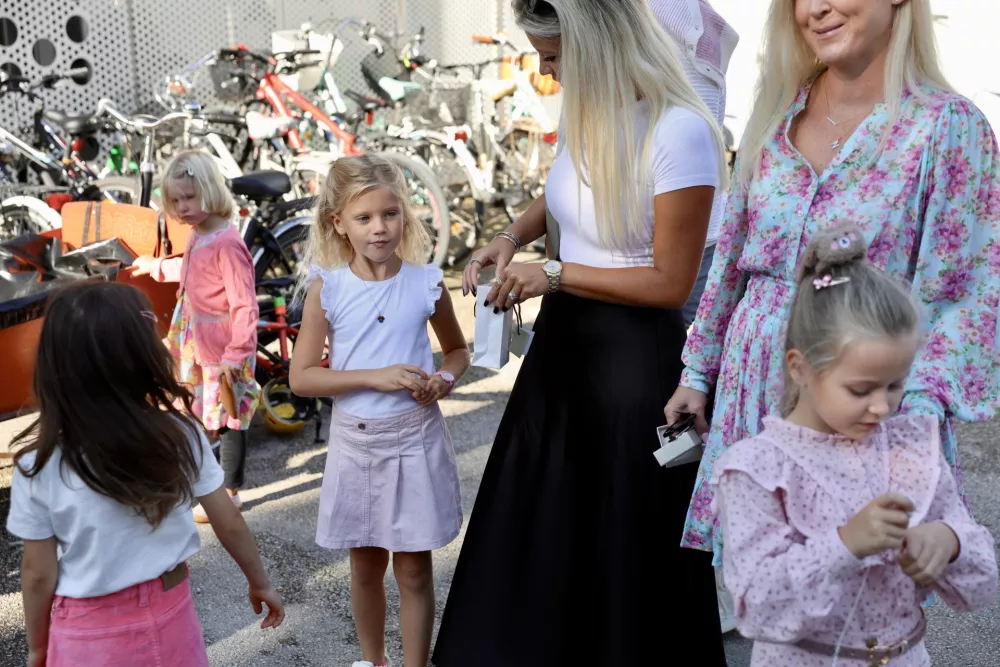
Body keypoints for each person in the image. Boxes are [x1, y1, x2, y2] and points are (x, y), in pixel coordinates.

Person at [666, 0, 1000, 592]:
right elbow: (734, 258)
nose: (816, 8)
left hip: (867, 410)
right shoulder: (778, 111)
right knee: (774, 595)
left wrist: (912, 427)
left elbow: (961, 299)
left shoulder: (947, 125)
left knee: (865, 600)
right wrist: (698, 370)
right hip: (755, 391)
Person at [433, 0, 729, 664]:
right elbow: (566, 190)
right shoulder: (587, 113)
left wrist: (555, 272)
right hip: (563, 352)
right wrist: (510, 237)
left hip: (634, 363)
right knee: (546, 530)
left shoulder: (681, 131)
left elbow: (670, 282)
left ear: (598, 43)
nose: (546, 71)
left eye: (554, 56)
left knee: (626, 542)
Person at [712, 224, 998, 665]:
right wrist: (844, 545)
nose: (882, 407)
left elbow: (982, 583)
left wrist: (949, 541)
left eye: (896, 385)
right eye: (861, 390)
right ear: (800, 368)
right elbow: (758, 608)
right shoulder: (758, 469)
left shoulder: (907, 450)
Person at [6, 282, 284, 667]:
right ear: (145, 355)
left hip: (88, 633)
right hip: (172, 617)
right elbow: (229, 520)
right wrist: (260, 581)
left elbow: (38, 571)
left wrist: (38, 646)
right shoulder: (181, 435)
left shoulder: (39, 465)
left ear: (54, 366)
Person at [289, 155, 469, 667]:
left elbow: (457, 351)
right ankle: (373, 661)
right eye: (364, 218)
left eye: (390, 214)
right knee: (365, 568)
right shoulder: (329, 288)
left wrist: (443, 380)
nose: (379, 228)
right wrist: (374, 376)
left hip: (415, 438)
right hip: (358, 443)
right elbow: (302, 377)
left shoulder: (426, 282)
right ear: (338, 223)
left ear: (404, 216)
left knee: (413, 571)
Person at [133, 149, 260, 524]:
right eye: (175, 201)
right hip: (193, 339)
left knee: (229, 414)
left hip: (224, 346)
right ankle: (202, 477)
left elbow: (245, 306)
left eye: (189, 197)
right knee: (196, 407)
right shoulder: (198, 233)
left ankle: (230, 492)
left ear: (210, 190)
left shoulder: (227, 243)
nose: (182, 207)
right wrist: (156, 267)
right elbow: (191, 271)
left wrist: (236, 354)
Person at [647, 0, 739, 326]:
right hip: (688, 224)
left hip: (678, 229)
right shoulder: (688, 18)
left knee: (671, 340)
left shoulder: (661, 14)